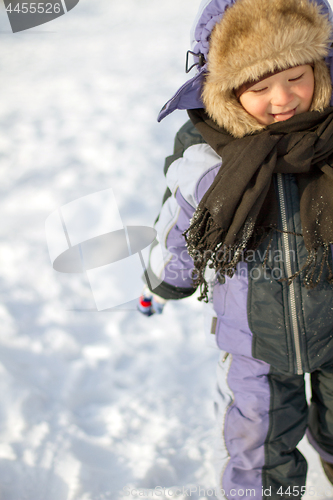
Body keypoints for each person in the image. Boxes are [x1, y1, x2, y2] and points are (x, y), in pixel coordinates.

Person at [138, 0, 333, 497]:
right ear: (226, 91)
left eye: (296, 77)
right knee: (260, 450)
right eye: (260, 87)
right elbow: (180, 231)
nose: (283, 98)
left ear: (320, 67)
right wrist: (167, 279)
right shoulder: (207, 163)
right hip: (256, 345)